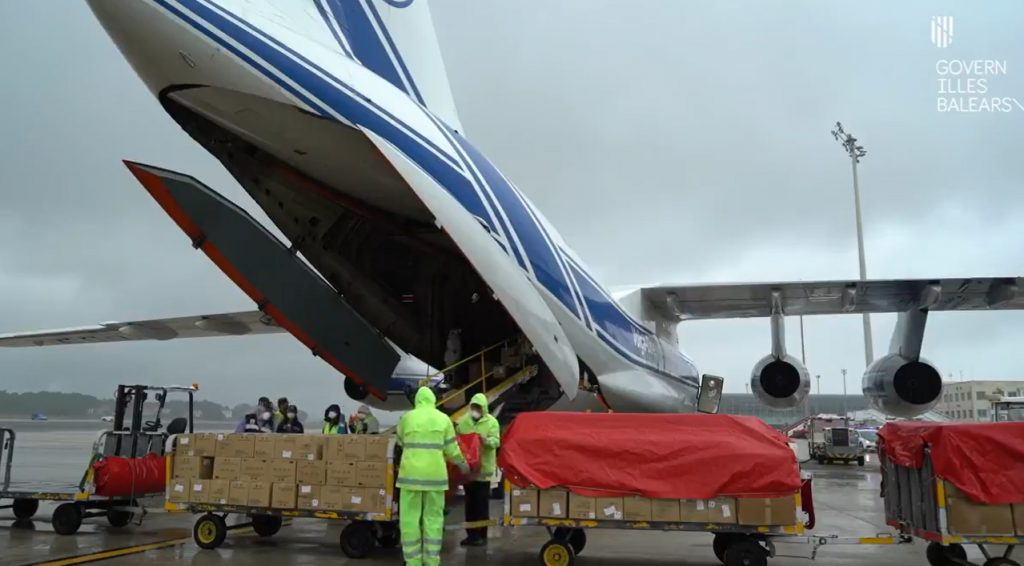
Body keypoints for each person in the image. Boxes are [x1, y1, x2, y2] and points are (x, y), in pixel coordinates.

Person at [397, 387, 469, 566]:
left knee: (409, 521)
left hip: (410, 478)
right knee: (434, 521)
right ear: (433, 400)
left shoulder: (407, 418)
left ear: (417, 400)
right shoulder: (443, 419)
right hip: (435, 479)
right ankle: (431, 561)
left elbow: (400, 442)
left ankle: (413, 562)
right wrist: (462, 464)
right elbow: (452, 450)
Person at [456, 393, 500, 546]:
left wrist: (485, 441)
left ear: (484, 409)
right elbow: (458, 441)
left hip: (483, 471)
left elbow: (496, 442)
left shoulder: (492, 423)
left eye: (478, 408)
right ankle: (471, 535)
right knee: (469, 505)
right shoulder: (463, 422)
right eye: (473, 407)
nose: (475, 410)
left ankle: (482, 535)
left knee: (481, 505)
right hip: (468, 470)